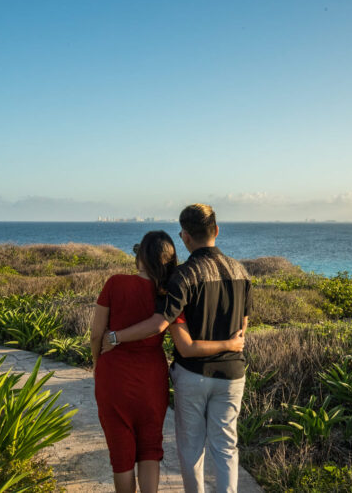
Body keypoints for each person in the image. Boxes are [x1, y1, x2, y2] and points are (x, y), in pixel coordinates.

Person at [102, 205, 251, 493]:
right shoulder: (241, 272)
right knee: (226, 448)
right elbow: (243, 326)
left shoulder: (183, 276)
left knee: (191, 448)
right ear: (216, 231)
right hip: (232, 373)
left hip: (193, 374)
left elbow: (160, 324)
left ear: (184, 236)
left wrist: (116, 337)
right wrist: (230, 345)